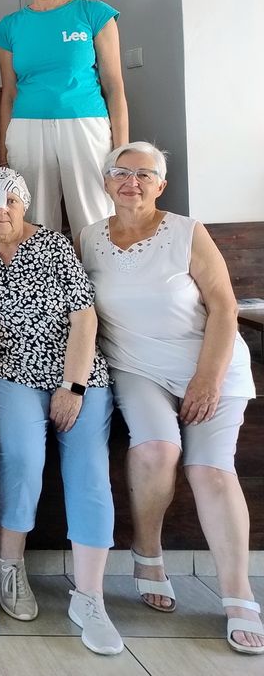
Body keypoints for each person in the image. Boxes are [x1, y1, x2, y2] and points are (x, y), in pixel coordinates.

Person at [79, 142, 262, 655]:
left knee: (211, 470)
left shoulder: (187, 231)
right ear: (106, 182)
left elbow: (224, 307)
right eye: (121, 172)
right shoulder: (89, 238)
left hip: (210, 364)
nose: (131, 182)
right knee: (157, 449)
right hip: (137, 367)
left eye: (144, 174)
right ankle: (148, 550)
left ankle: (238, 594)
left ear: (161, 185)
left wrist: (207, 378)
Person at [0, 168, 122, 655]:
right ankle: (11, 566)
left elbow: (84, 319)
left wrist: (72, 387)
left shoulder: (54, 245)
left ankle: (90, 596)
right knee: (22, 459)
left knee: (90, 470)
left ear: (25, 204)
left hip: (76, 373)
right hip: (10, 371)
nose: (1, 213)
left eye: (10, 203)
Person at [0, 0, 128, 235]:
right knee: (33, 220)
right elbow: (8, 94)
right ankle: (43, 269)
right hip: (26, 128)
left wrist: (122, 151)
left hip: (86, 124)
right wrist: (2, 153)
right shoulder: (8, 28)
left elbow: (115, 87)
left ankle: (97, 269)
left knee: (96, 218)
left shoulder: (95, 14)